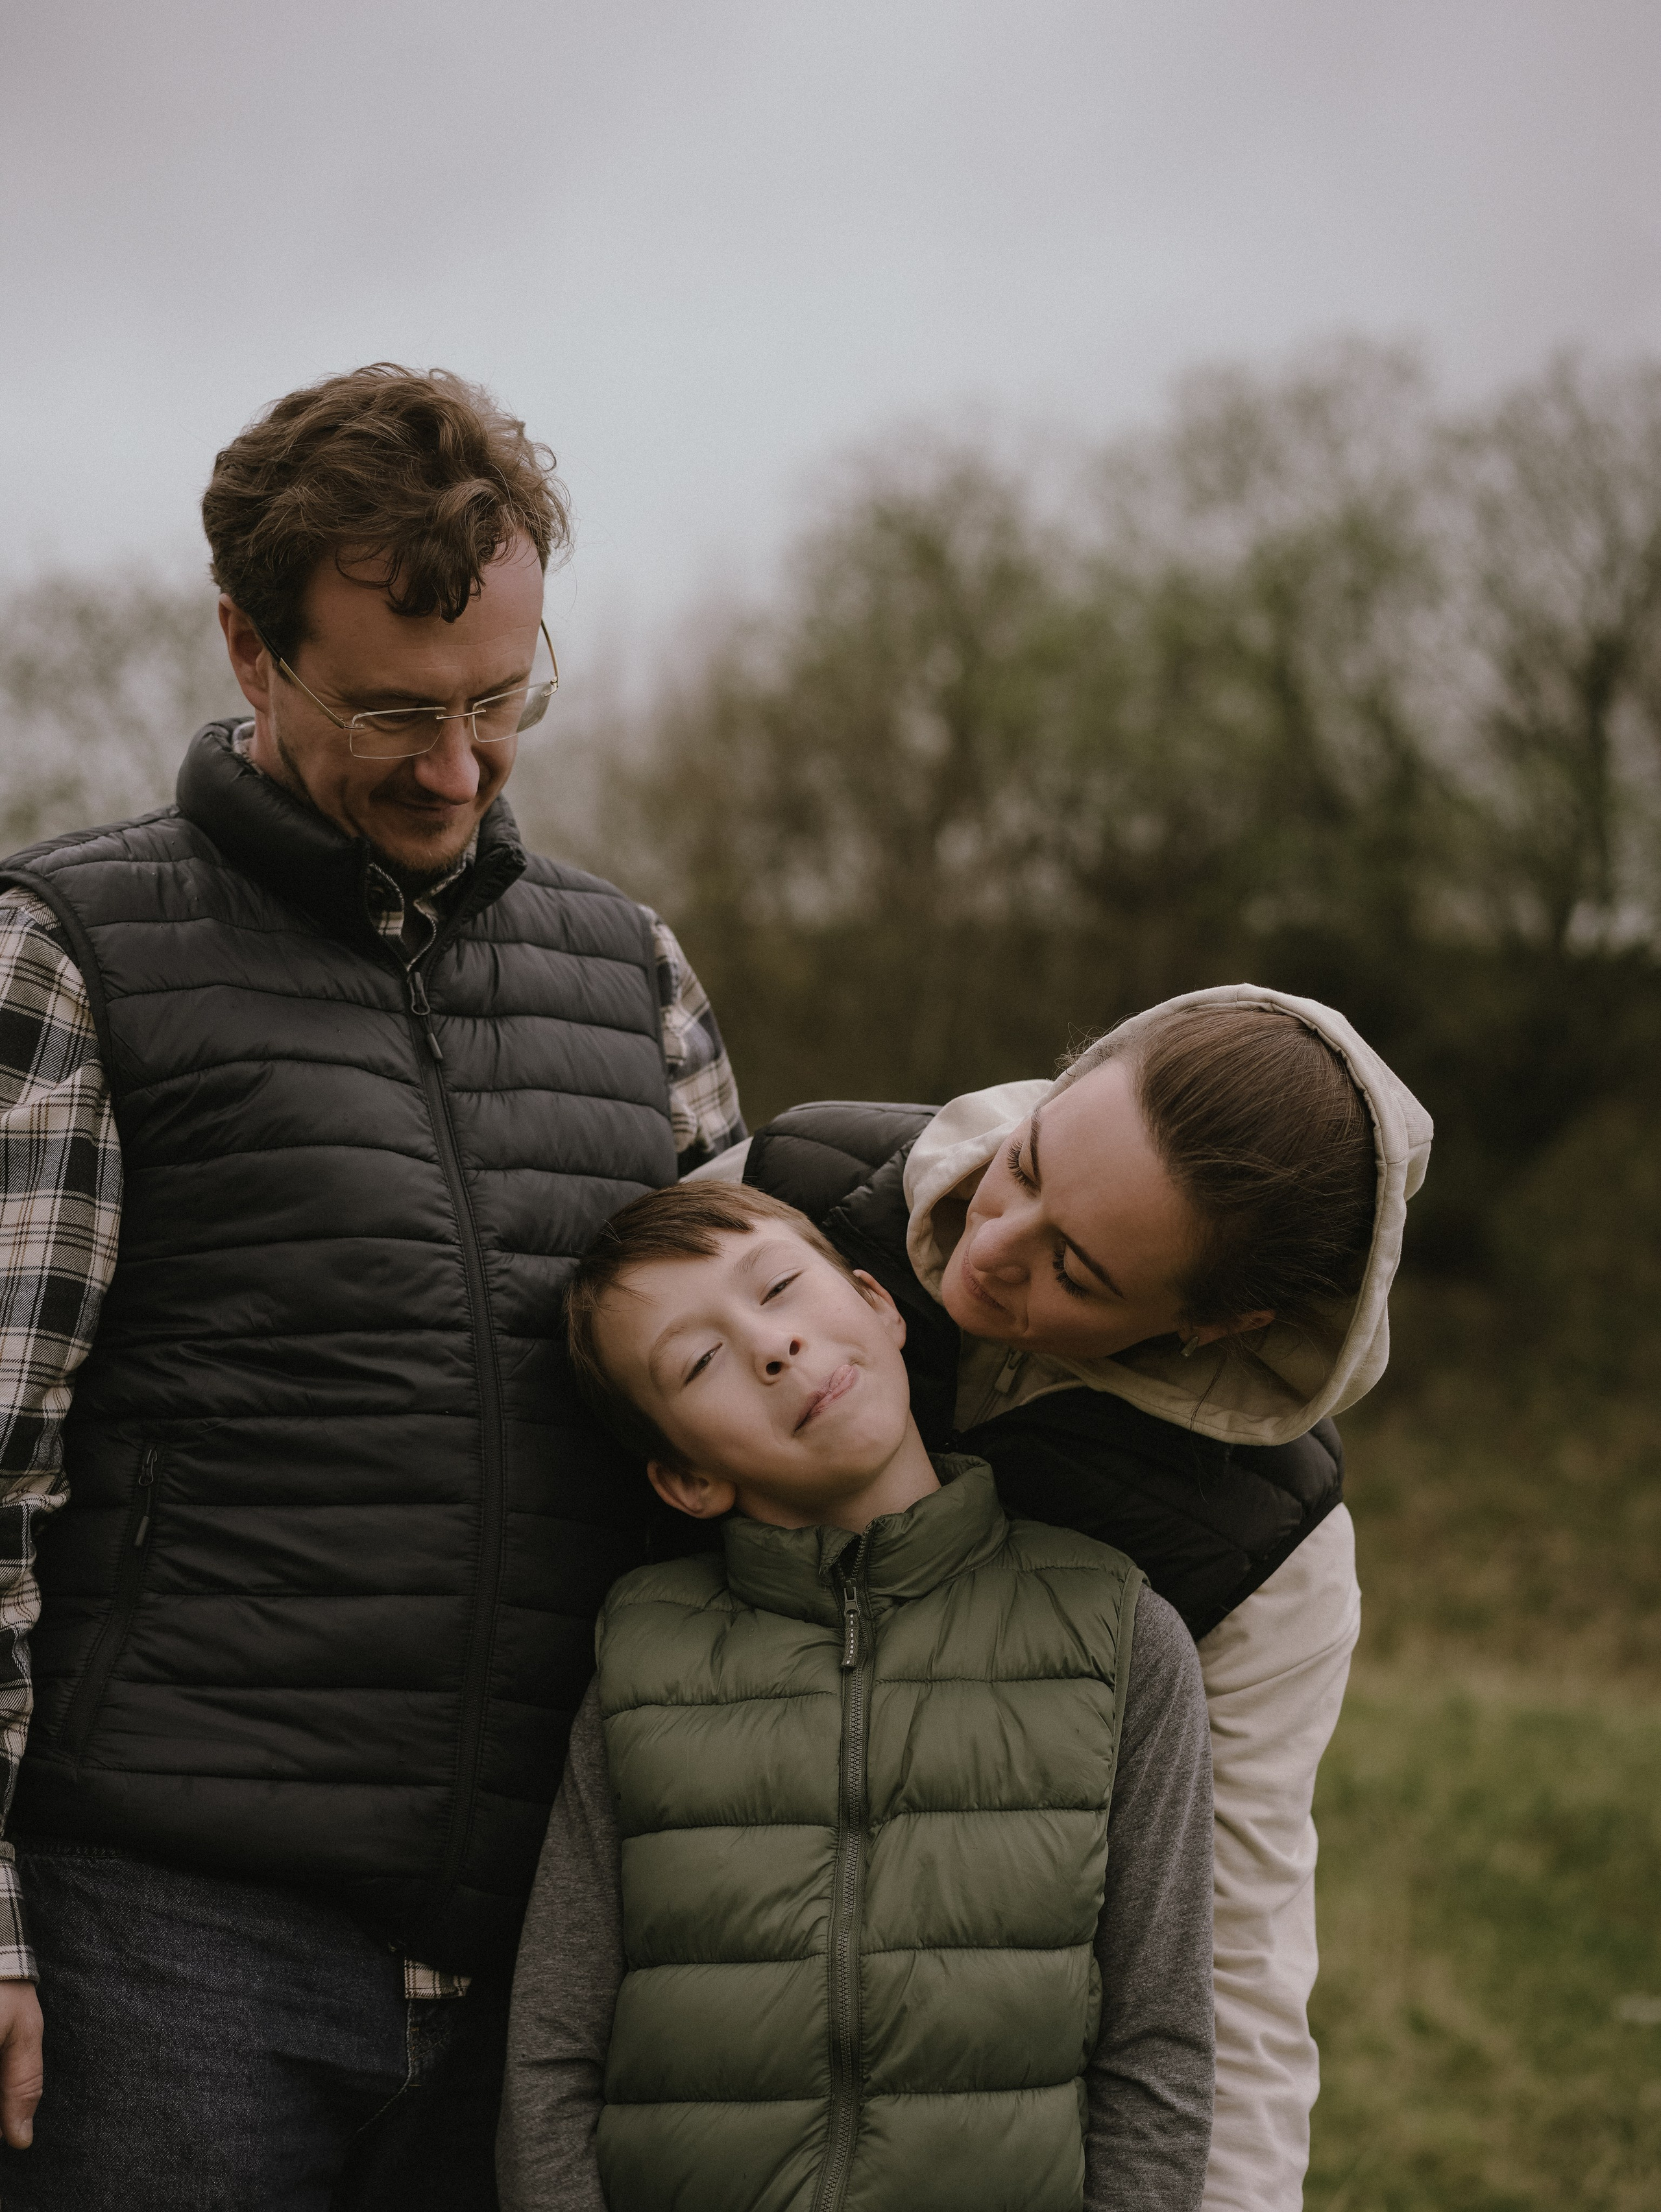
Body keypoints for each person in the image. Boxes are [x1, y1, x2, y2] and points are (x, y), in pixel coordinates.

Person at [0, 366, 744, 2208]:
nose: (461, 764)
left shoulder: (630, 971)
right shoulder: (67, 957)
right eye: (398, 709)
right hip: (166, 1954)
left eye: (505, 698)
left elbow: (765, 1407)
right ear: (251, 651)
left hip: (553, 1961)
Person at [696, 986, 1433, 2212]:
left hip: (975, 2098)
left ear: (1218, 1321)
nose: (993, 1246)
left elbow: (1234, 1948)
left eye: (1075, 1272)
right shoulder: (789, 1187)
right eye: (1026, 1165)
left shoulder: (1264, 1540)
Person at [496, 1182, 1217, 2212]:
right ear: (687, 1479)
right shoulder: (644, 1656)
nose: (773, 1347)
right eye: (699, 1362)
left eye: (780, 1286)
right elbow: (553, 2053)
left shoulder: (1120, 1632)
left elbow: (1160, 2047)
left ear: (878, 1301)